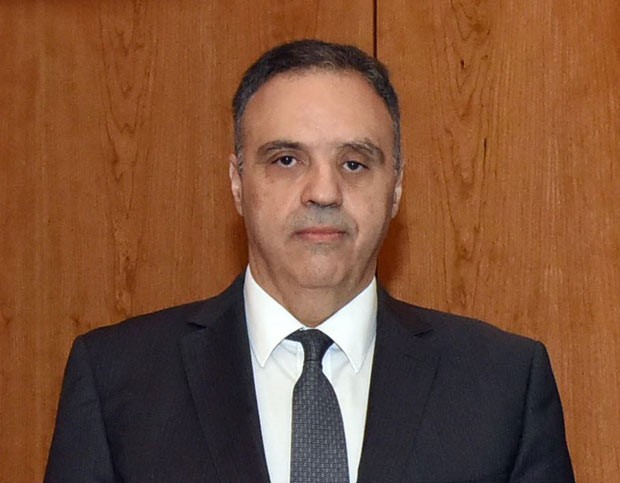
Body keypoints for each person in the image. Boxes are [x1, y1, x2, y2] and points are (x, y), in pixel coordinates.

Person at [45, 39, 575, 483]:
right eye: (286, 159)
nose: (323, 191)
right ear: (237, 183)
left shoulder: (503, 384)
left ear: (396, 187)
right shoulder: (118, 381)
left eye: (354, 163)